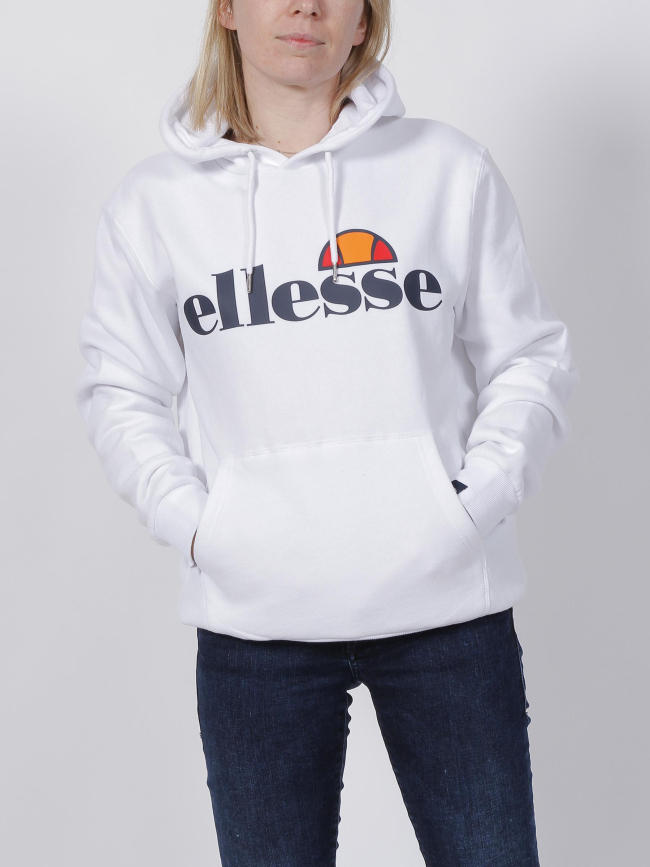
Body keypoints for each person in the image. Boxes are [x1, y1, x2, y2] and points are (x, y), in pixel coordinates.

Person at [74, 1, 580, 864]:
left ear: (364, 20)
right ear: (228, 9)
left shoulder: (447, 170)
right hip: (256, 626)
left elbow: (528, 357)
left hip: (447, 614)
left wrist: (468, 506)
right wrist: (201, 527)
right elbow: (122, 390)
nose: (306, 4)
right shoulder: (154, 205)